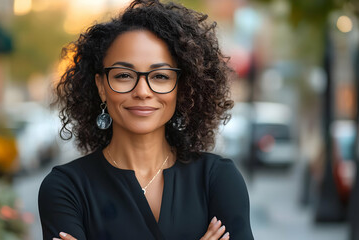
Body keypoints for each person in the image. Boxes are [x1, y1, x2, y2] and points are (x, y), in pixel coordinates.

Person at [38, 0, 254, 239]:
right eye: (123, 75)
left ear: (181, 87)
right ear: (101, 86)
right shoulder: (66, 188)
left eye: (160, 76)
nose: (142, 91)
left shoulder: (217, 180)